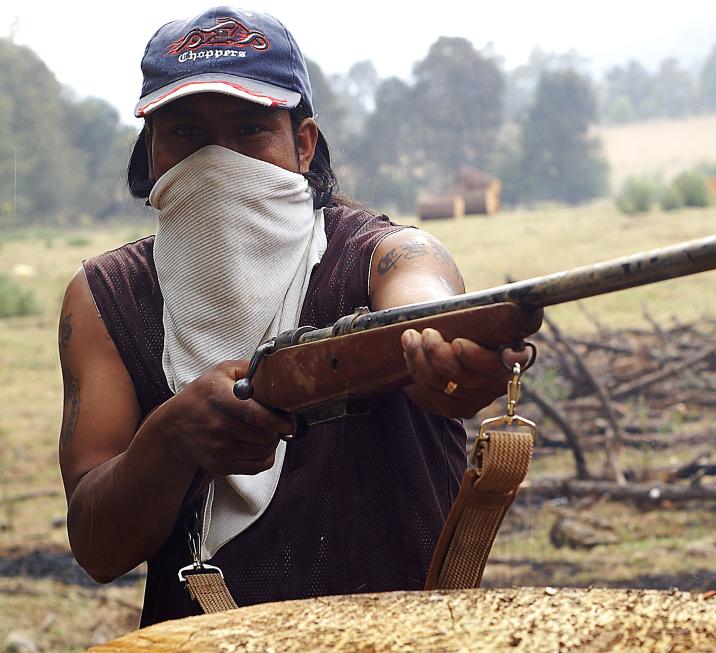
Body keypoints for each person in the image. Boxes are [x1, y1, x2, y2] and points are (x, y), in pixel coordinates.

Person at [57, 7, 525, 626]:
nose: (216, 162)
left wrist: (443, 350)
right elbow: (96, 546)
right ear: (151, 153)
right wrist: (171, 441)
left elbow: (423, 307)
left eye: (249, 131)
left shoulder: (384, 256)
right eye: (185, 133)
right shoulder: (103, 299)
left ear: (302, 145)